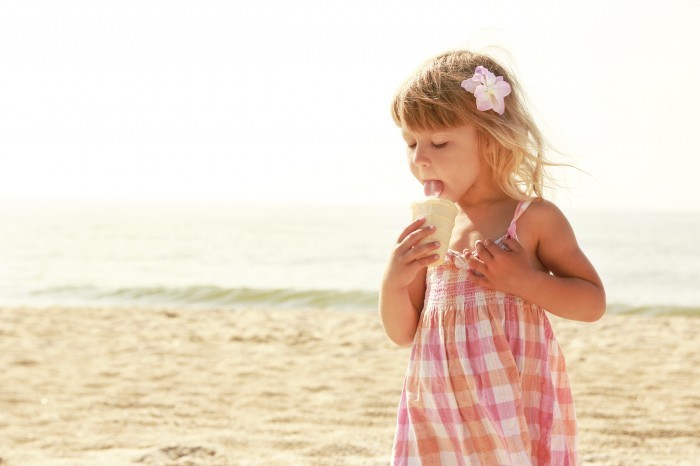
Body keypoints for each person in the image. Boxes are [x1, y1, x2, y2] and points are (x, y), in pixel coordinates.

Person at [379, 49, 606, 465]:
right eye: (410, 143)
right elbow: (403, 332)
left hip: (510, 405)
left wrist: (526, 283)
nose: (420, 158)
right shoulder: (433, 231)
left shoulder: (533, 219)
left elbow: (592, 302)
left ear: (489, 137)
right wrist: (394, 279)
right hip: (439, 406)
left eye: (439, 142)